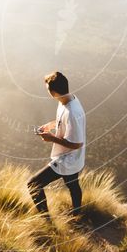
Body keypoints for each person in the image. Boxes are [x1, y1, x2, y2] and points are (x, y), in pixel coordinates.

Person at [28, 71, 86, 216]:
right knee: (72, 184)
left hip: (67, 158)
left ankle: (46, 220)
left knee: (33, 184)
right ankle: (77, 214)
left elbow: (77, 144)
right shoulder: (67, 99)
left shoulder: (72, 112)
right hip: (73, 158)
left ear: (53, 92)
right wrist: (52, 125)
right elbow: (66, 121)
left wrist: (51, 138)